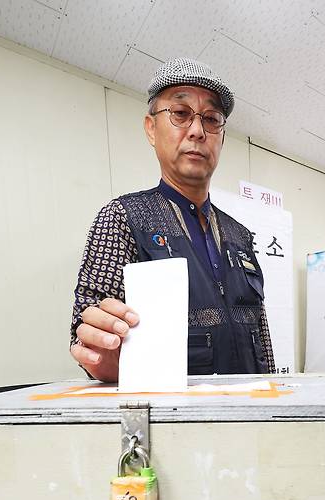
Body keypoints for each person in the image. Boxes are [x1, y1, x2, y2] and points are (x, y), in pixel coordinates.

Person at [69, 57, 274, 382]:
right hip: (175, 423)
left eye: (211, 119)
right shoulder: (123, 217)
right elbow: (88, 331)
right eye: (180, 114)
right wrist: (100, 354)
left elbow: (261, 336)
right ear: (152, 128)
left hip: (252, 418)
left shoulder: (240, 235)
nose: (197, 131)